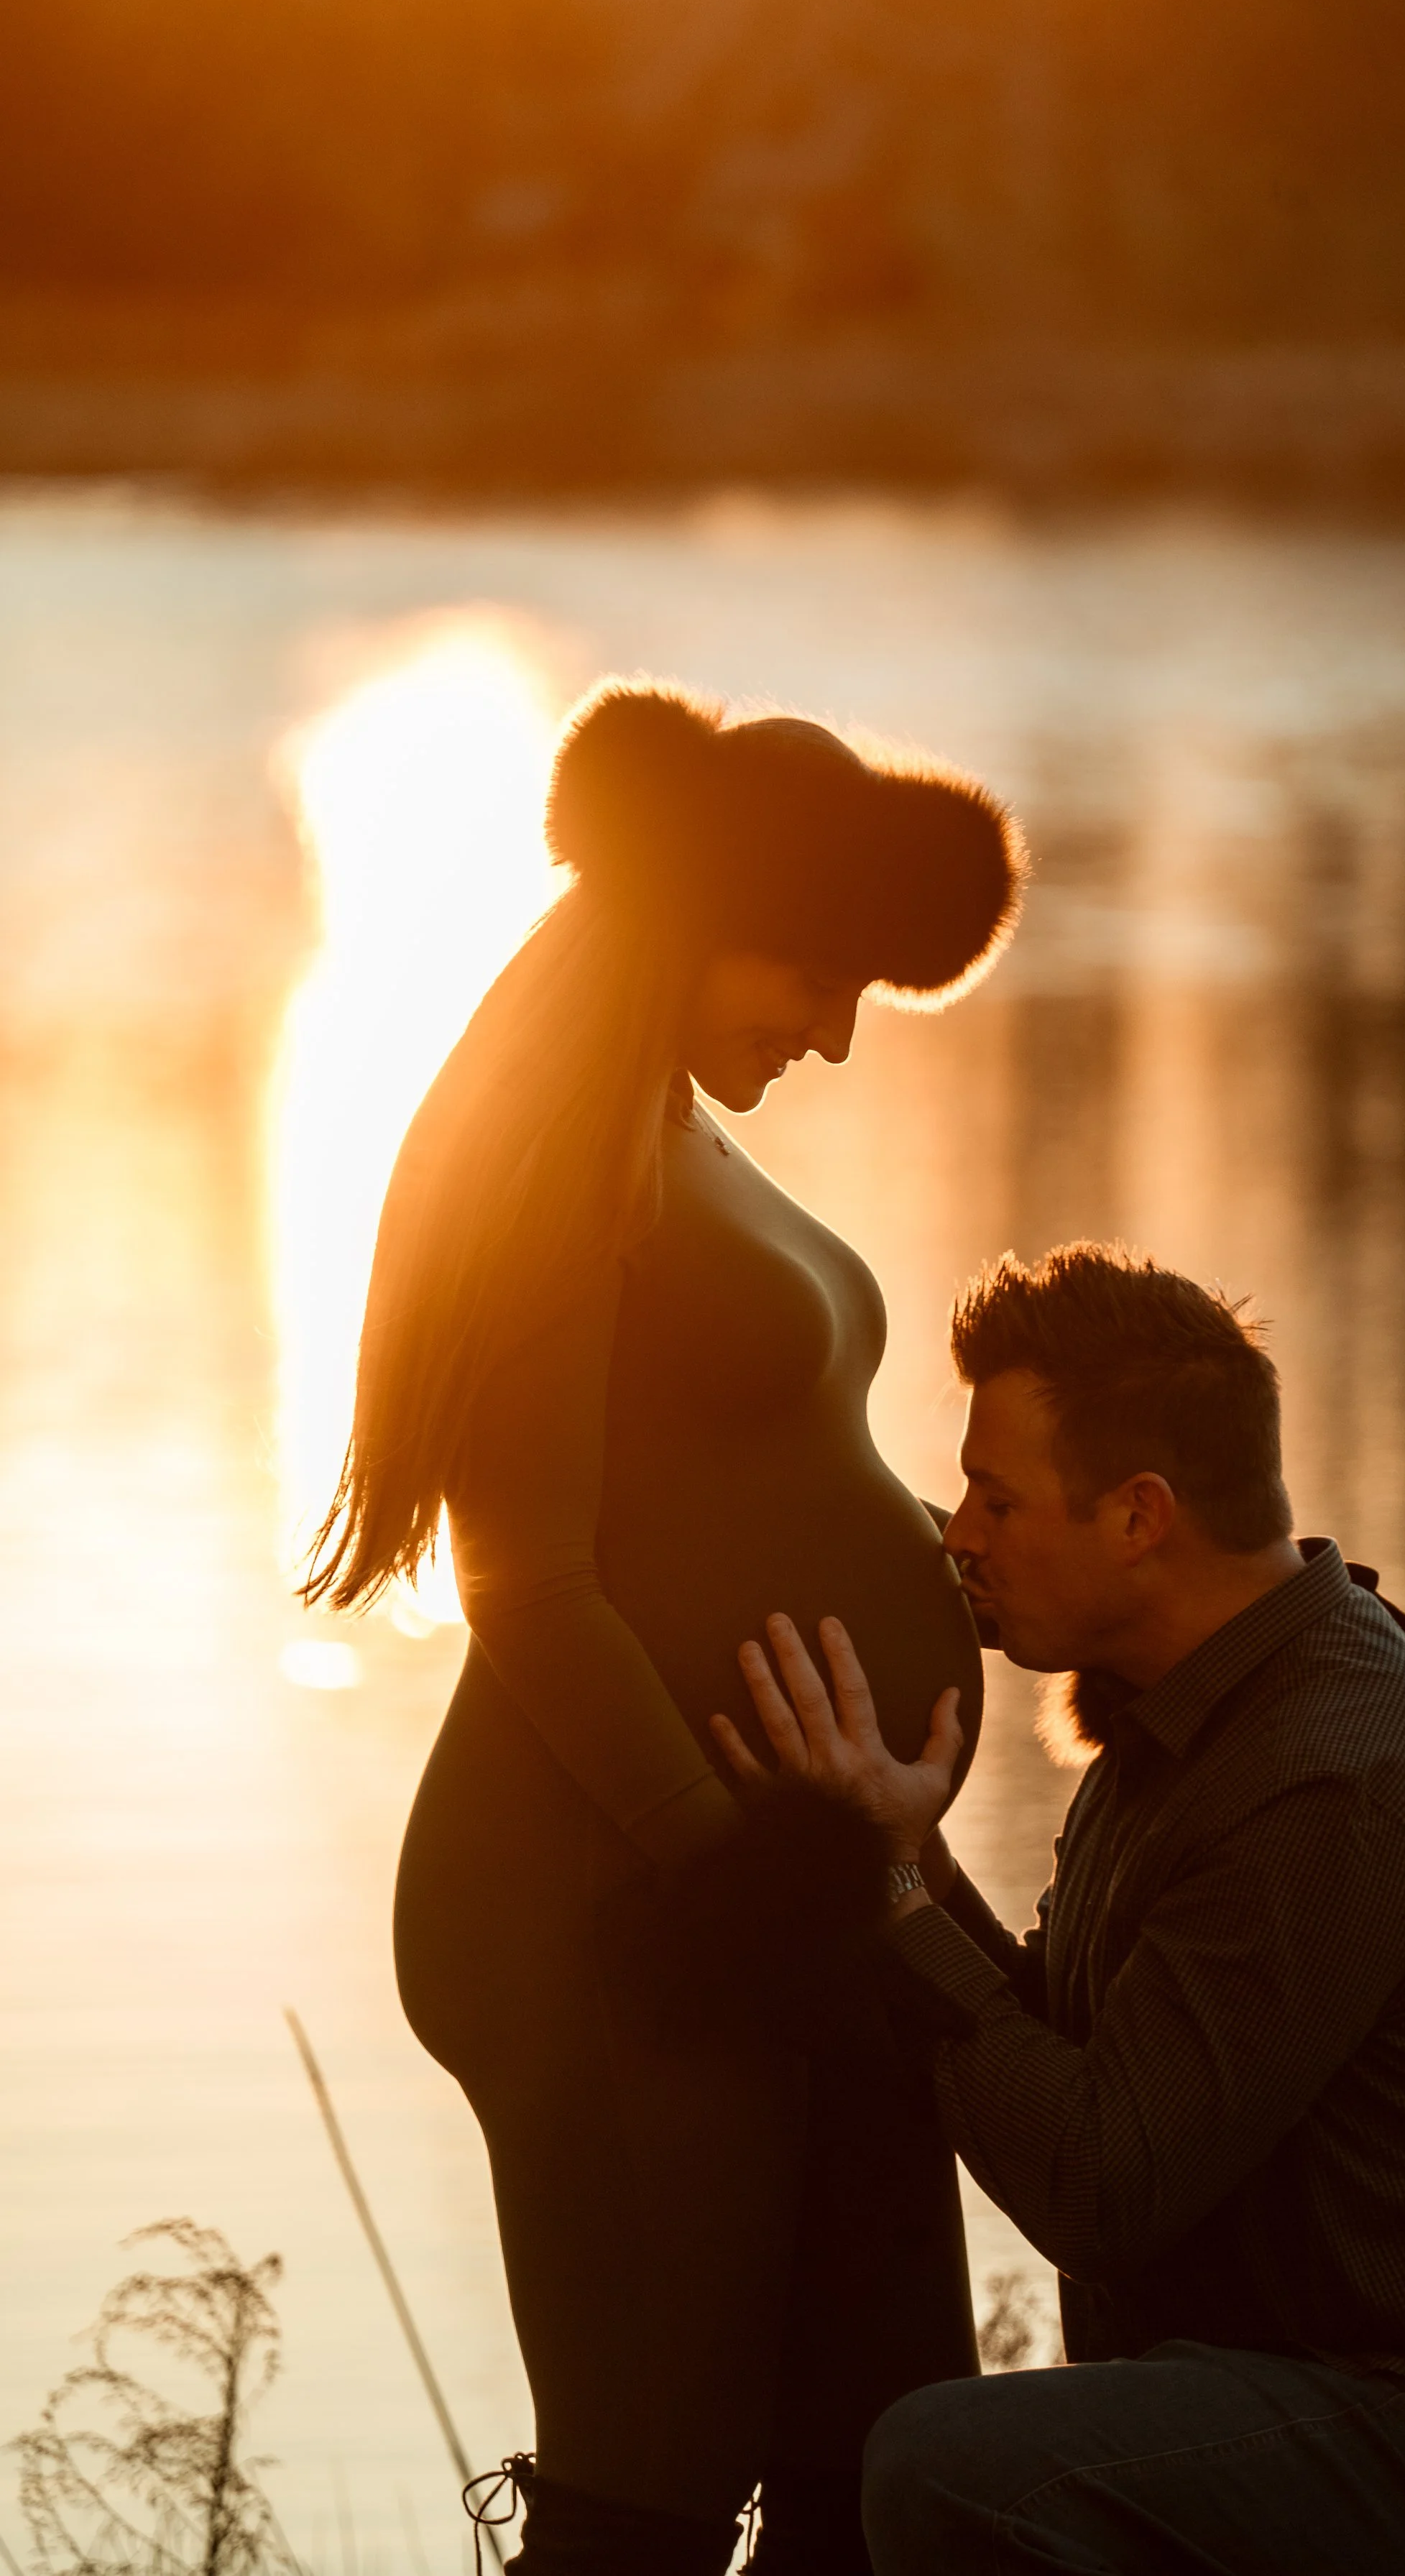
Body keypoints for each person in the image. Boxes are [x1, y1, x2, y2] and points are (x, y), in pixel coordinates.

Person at [304, 683, 1024, 2576]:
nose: (836, 1035)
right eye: (817, 974)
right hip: (617, 1903)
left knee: (881, 2465)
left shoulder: (656, 1128)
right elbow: (526, 1588)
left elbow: (747, 1496)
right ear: (694, 905)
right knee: (647, 2508)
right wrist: (745, 1893)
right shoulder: (553, 1152)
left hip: (780, 1892)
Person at [717, 1244, 1405, 2575]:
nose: (958, 1533)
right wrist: (904, 1851)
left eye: (997, 1499)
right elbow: (1055, 2044)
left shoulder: (1334, 1776)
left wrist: (891, 1887)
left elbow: (1105, 2181)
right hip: (1329, 2391)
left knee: (953, 2467)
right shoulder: (1185, 1715)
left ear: (1139, 1515)